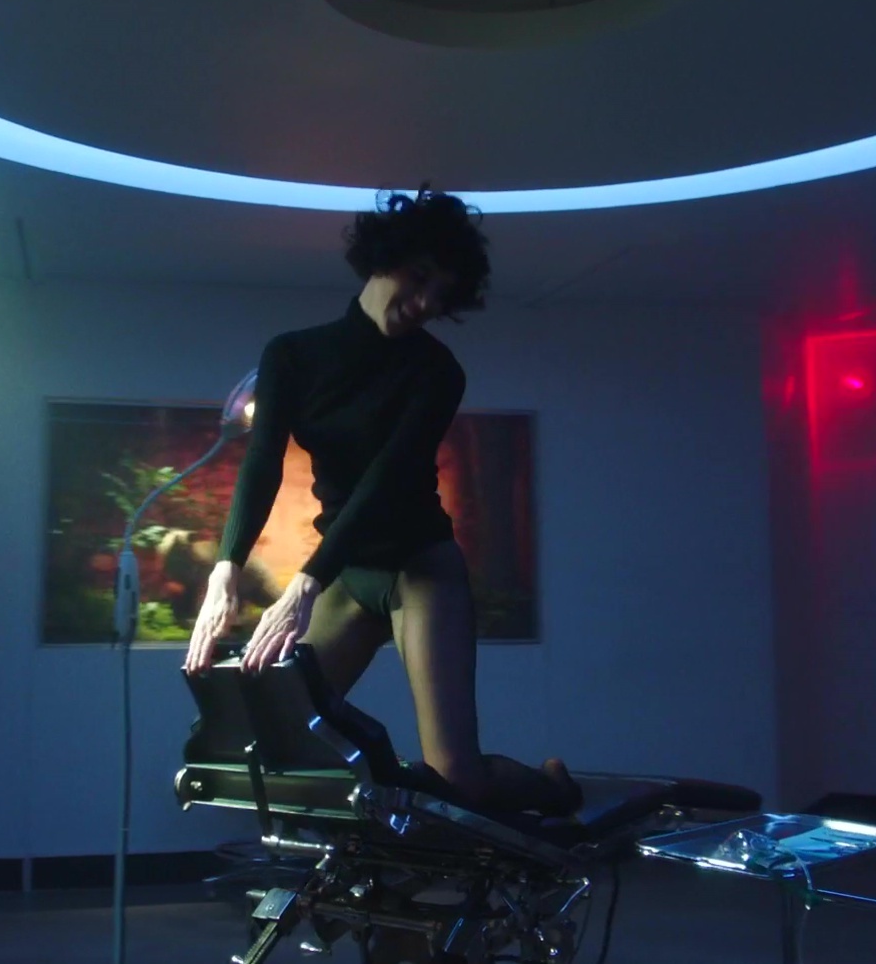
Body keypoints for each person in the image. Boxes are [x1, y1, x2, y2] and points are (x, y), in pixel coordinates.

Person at [183, 188, 580, 818]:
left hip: (421, 567)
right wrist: (226, 567)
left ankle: (552, 788)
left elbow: (385, 481)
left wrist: (304, 584)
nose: (423, 303)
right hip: (348, 571)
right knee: (285, 735)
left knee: (459, 779)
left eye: (439, 295)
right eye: (418, 278)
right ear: (383, 258)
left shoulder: (437, 371)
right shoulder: (292, 354)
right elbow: (261, 463)